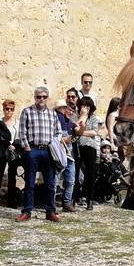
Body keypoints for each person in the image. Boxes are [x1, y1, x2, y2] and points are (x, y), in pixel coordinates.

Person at [16, 87, 63, 222]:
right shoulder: (27, 111)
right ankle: (27, 211)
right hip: (33, 150)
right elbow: (22, 131)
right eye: (38, 97)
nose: (41, 99)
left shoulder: (52, 114)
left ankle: (50, 211)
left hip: (48, 151)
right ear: (35, 97)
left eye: (44, 97)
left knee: (50, 183)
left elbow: (58, 132)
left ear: (47, 98)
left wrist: (55, 144)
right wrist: (26, 146)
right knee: (30, 183)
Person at [75, 98, 104, 210]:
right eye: (83, 105)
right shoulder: (76, 116)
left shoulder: (94, 118)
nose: (85, 108)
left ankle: (89, 200)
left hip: (90, 147)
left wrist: (80, 132)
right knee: (76, 172)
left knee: (90, 174)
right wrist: (82, 117)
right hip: (77, 146)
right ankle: (75, 198)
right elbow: (75, 128)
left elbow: (94, 132)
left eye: (87, 106)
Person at [54, 96, 79, 212]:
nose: (69, 112)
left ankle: (66, 203)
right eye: (67, 109)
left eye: (72, 110)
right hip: (59, 154)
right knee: (56, 180)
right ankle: (55, 203)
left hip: (68, 154)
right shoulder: (56, 119)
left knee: (70, 180)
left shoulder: (69, 122)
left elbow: (80, 131)